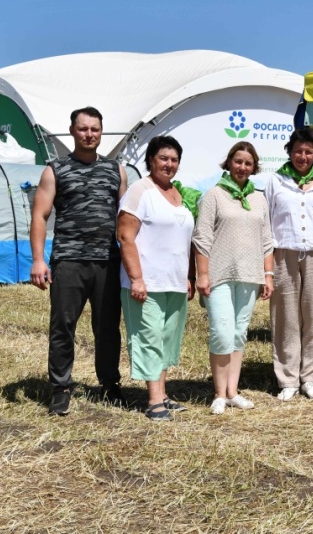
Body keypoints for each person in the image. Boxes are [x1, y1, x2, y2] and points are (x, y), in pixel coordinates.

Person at [30, 106, 128, 416]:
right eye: (83, 129)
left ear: (102, 132)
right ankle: (60, 388)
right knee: (63, 326)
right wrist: (38, 260)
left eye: (95, 129)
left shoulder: (117, 170)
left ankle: (110, 384)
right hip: (69, 260)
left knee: (108, 328)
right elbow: (40, 215)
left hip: (108, 262)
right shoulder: (55, 170)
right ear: (72, 131)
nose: (89, 134)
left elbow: (126, 219)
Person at [117, 135, 196, 422]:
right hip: (145, 283)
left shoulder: (178, 194)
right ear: (151, 159)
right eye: (164, 158)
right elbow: (125, 235)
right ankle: (152, 400)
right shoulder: (140, 190)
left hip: (174, 281)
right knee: (149, 337)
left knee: (167, 339)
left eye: (174, 160)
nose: (169, 164)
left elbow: (184, 239)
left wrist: (188, 276)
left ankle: (162, 393)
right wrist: (136, 278)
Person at [193, 141, 273, 414]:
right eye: (238, 161)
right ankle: (218, 393)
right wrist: (202, 275)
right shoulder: (214, 195)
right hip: (219, 276)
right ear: (228, 163)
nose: (242, 167)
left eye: (248, 163)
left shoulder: (259, 198)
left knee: (239, 333)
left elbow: (267, 241)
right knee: (221, 333)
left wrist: (268, 276)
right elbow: (201, 239)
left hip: (250, 276)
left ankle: (232, 392)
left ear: (254, 168)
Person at [265, 128, 313, 401]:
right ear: (289, 152)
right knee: (286, 317)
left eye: (308, 151)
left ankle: (311, 377)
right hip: (284, 254)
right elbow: (268, 220)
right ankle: (288, 379)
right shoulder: (276, 181)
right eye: (298, 151)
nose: (303, 156)